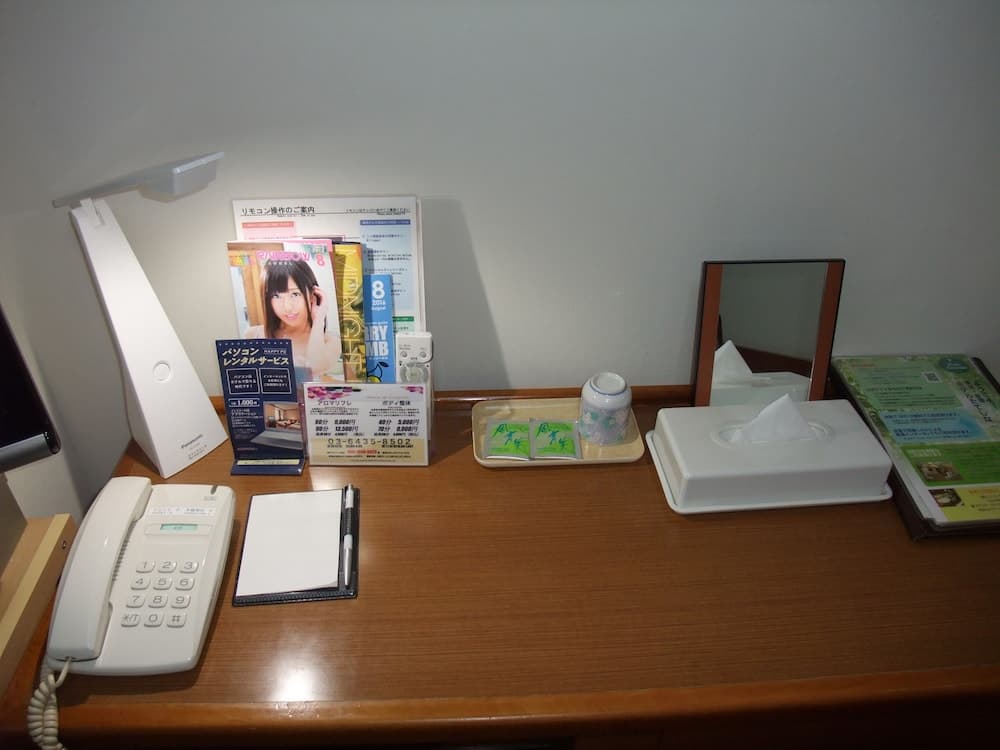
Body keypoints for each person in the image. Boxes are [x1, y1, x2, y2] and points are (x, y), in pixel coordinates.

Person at [244, 259, 353, 382]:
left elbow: (314, 368)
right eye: (276, 296)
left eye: (295, 294)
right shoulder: (253, 336)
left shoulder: (330, 341)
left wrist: (318, 320)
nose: (287, 307)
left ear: (313, 295)